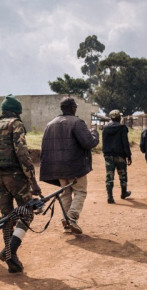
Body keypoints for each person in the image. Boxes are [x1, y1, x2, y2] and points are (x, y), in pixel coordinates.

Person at [0, 94, 42, 272]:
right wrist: (33, 181)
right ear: (16, 112)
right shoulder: (15, 124)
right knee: (28, 212)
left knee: (7, 218)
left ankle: (11, 260)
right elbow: (22, 154)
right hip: (16, 177)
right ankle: (11, 250)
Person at [40, 97, 99, 234]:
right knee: (80, 191)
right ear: (73, 108)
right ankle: (72, 216)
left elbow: (45, 148)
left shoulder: (50, 124)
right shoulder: (77, 122)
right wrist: (94, 133)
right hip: (75, 166)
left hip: (57, 168)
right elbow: (88, 143)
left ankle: (66, 223)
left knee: (65, 194)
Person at [102, 109, 132, 204]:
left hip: (108, 155)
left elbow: (104, 143)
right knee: (122, 174)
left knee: (109, 176)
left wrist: (105, 154)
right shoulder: (122, 128)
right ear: (119, 117)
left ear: (111, 118)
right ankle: (123, 193)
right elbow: (125, 143)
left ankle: (110, 196)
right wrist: (129, 156)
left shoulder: (105, 128)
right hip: (120, 155)